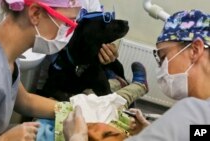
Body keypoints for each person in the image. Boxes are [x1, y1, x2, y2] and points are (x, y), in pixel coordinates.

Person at [63, 9, 210, 141]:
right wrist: (155, 132)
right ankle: (137, 84)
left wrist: (77, 137)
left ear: (195, 50)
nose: (161, 68)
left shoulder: (193, 114)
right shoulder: (198, 122)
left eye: (163, 56)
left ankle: (138, 85)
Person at [0, 0, 84, 140]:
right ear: (35, 13)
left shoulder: (3, 46)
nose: (68, 34)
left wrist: (73, 110)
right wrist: (3, 140)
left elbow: (25, 101)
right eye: (68, 23)